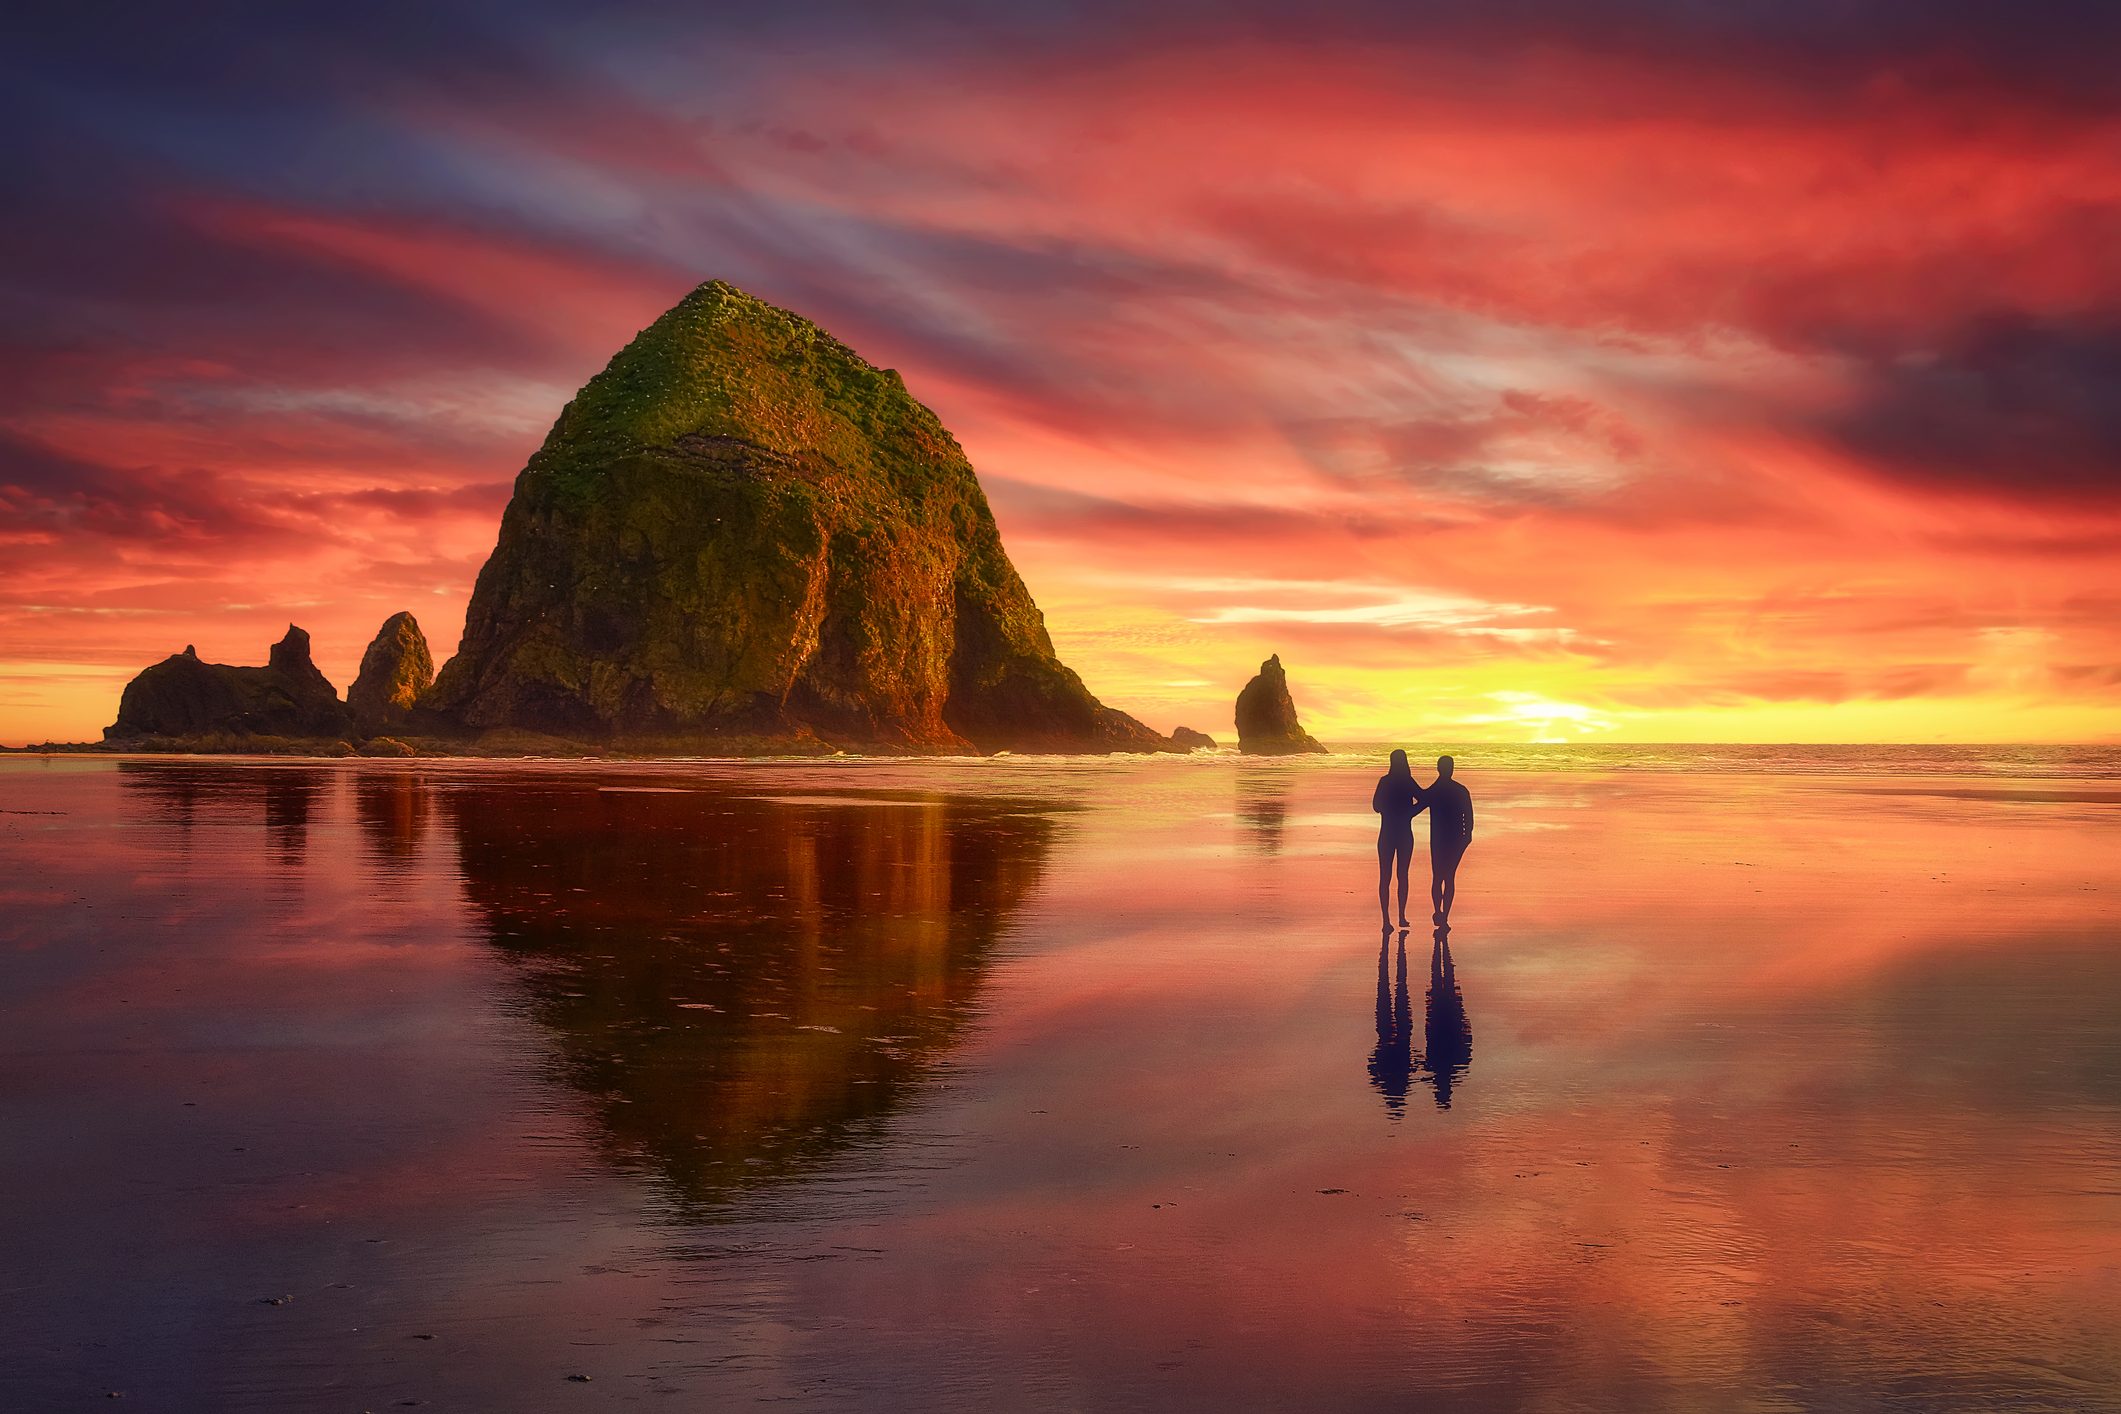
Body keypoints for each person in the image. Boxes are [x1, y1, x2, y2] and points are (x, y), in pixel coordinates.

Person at [1371, 749, 1424, 928]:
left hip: (1386, 832)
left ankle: (1386, 920)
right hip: (1404, 833)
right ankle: (1401, 916)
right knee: (1403, 875)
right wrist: (1410, 813)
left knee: (1385, 876)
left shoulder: (1385, 781)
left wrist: (1389, 809)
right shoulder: (1408, 782)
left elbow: (1375, 806)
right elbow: (1424, 799)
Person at [1422, 755, 1474, 926]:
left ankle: (1440, 912)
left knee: (1439, 877)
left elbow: (1416, 805)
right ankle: (1443, 915)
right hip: (1454, 838)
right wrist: (1467, 835)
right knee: (1447, 877)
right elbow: (1469, 816)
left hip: (1440, 838)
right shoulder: (1460, 790)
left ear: (1439, 769)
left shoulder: (1434, 790)